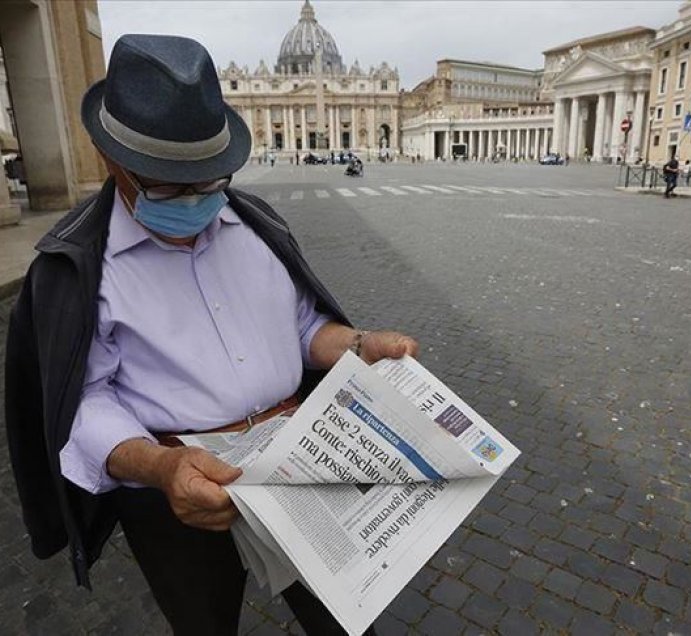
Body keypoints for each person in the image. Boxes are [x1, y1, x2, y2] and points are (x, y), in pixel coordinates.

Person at [4, 34, 417, 636]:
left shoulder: (256, 223)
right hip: (176, 485)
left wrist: (358, 346)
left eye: (210, 180)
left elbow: (303, 327)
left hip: (295, 458)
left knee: (348, 618)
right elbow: (83, 400)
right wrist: (159, 467)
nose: (197, 201)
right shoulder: (72, 268)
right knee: (204, 624)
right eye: (170, 186)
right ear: (112, 160)